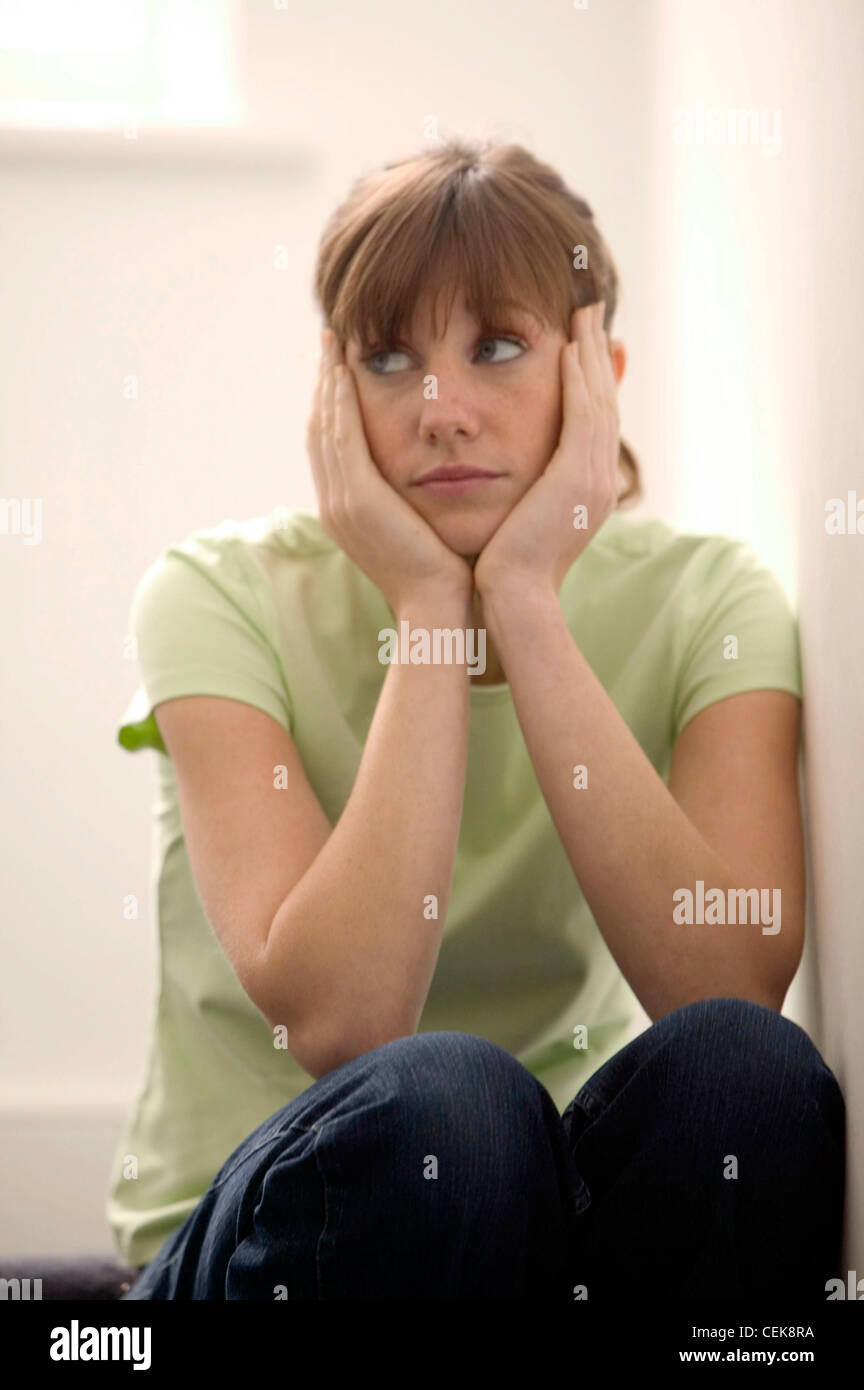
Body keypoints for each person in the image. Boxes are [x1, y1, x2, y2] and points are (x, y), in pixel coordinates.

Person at [113, 138, 844, 1301]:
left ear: (596, 369)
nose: (440, 409)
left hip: (554, 1244)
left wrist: (523, 600)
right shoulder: (214, 596)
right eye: (391, 358)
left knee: (744, 1070)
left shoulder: (710, 597)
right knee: (450, 1098)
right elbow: (349, 1023)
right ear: (333, 394)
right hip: (269, 1232)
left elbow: (730, 986)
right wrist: (428, 606)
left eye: (496, 347)